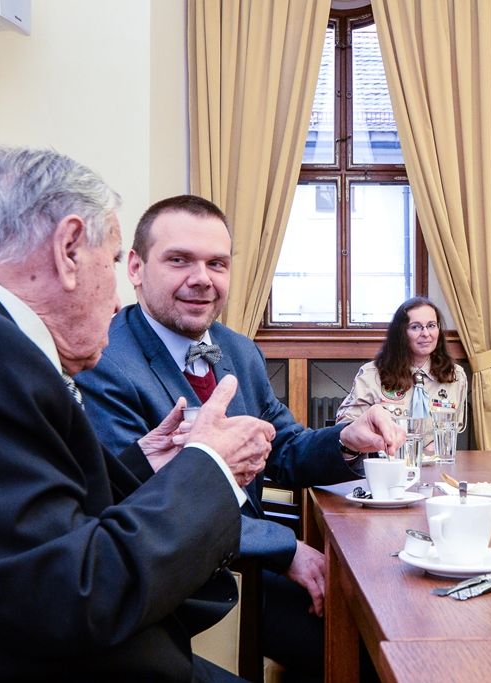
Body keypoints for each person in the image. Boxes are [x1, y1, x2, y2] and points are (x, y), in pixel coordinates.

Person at [0, 144, 276, 682]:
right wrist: (209, 468)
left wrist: (147, 470)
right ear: (69, 248)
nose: (118, 300)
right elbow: (70, 596)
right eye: (114, 261)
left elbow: (19, 531)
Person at [75, 194, 402, 682]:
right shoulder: (108, 361)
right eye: (180, 259)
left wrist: (347, 440)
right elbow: (138, 502)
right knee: (369, 655)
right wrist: (284, 548)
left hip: (254, 562)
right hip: (190, 582)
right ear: (137, 268)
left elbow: (285, 449)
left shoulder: (238, 350)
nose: (202, 278)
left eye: (217, 263)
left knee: (385, 625)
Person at [334, 296, 468, 435]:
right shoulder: (372, 374)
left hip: (435, 456)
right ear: (401, 333)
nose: (426, 334)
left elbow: (453, 429)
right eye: (415, 327)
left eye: (431, 325)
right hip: (386, 454)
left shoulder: (456, 376)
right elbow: (346, 427)